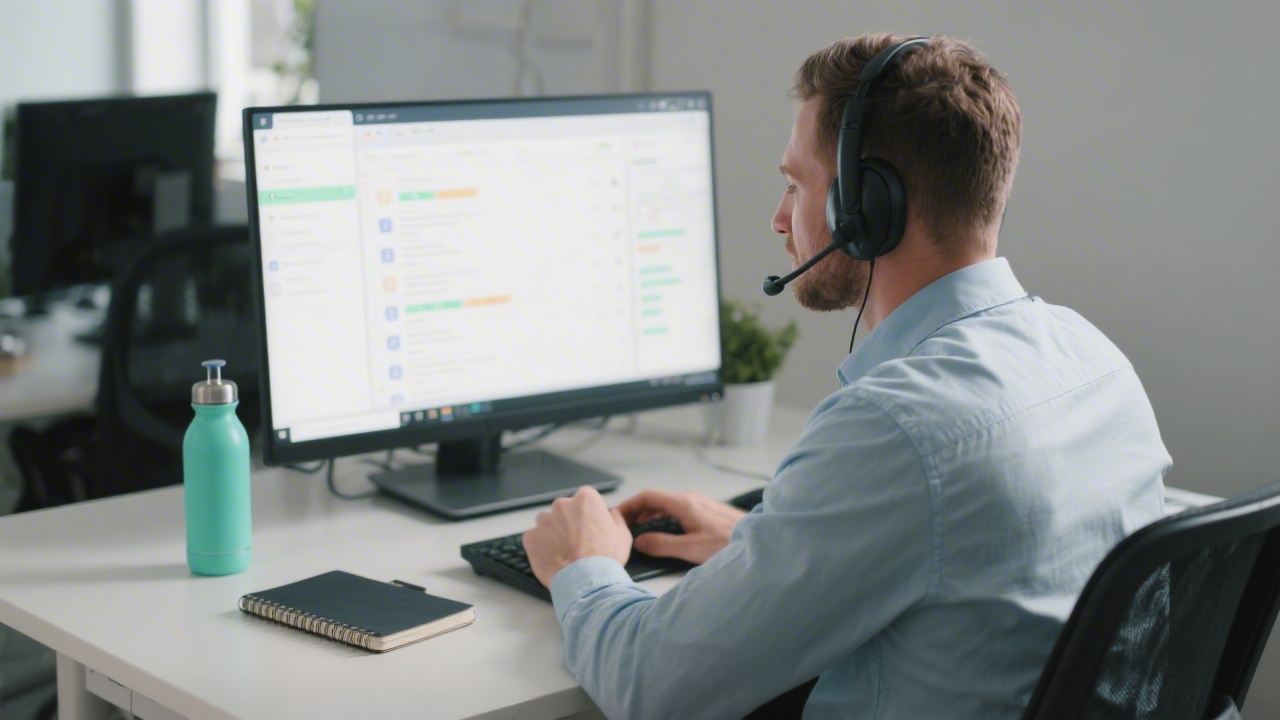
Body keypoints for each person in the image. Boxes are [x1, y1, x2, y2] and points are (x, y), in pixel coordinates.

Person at [522, 32, 1171, 719]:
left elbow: (650, 686)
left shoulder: (898, 426)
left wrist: (584, 564)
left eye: (796, 184)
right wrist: (762, 543)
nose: (779, 218)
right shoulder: (1094, 360)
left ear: (865, 211)